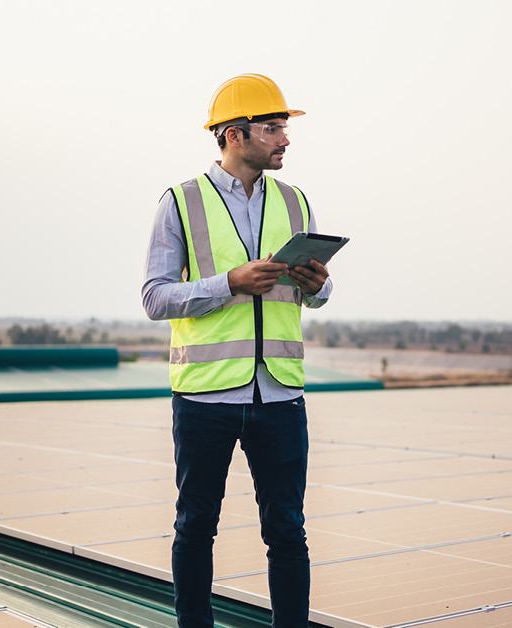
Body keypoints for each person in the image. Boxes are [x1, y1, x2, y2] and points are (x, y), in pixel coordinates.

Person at [142, 73, 332, 628]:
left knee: (288, 532)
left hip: (280, 395)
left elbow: (319, 295)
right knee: (195, 527)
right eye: (273, 129)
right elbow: (155, 299)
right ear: (233, 134)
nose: (285, 140)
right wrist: (229, 283)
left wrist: (316, 284)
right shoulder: (179, 203)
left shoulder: (297, 204)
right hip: (205, 399)